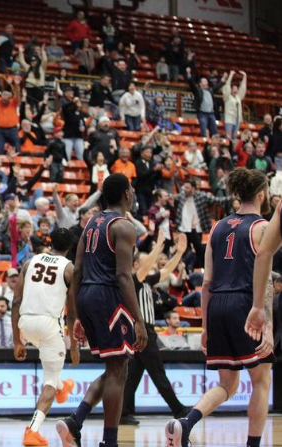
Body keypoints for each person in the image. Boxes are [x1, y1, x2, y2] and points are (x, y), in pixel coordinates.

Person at [168, 168, 275, 447]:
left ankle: (185, 423)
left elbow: (206, 282)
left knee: (227, 386)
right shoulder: (263, 228)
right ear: (262, 194)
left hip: (216, 305)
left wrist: (205, 326)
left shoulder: (217, 227)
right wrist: (269, 325)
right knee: (261, 381)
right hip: (244, 303)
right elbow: (263, 285)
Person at [56, 173, 148, 447]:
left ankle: (76, 420)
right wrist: (140, 321)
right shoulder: (123, 226)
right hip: (109, 297)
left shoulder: (91, 223)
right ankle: (110, 442)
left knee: (115, 367)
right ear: (127, 194)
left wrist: (78, 315)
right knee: (119, 370)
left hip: (87, 295)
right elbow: (123, 276)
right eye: (131, 190)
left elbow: (79, 270)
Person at [13, 228, 79, 446]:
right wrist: (75, 347)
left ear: (50, 242)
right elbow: (72, 311)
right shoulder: (69, 268)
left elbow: (15, 302)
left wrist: (17, 341)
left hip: (26, 323)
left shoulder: (29, 262)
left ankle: (63, 388)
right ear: (70, 247)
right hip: (49, 326)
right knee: (49, 381)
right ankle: (32, 431)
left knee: (54, 372)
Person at [121, 234, 189, 426]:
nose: (150, 265)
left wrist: (180, 253)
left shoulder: (147, 281)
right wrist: (158, 246)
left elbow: (167, 270)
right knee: (158, 372)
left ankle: (122, 413)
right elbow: (146, 266)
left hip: (145, 331)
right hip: (141, 331)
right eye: (144, 263)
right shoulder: (132, 280)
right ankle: (179, 409)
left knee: (133, 376)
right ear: (135, 265)